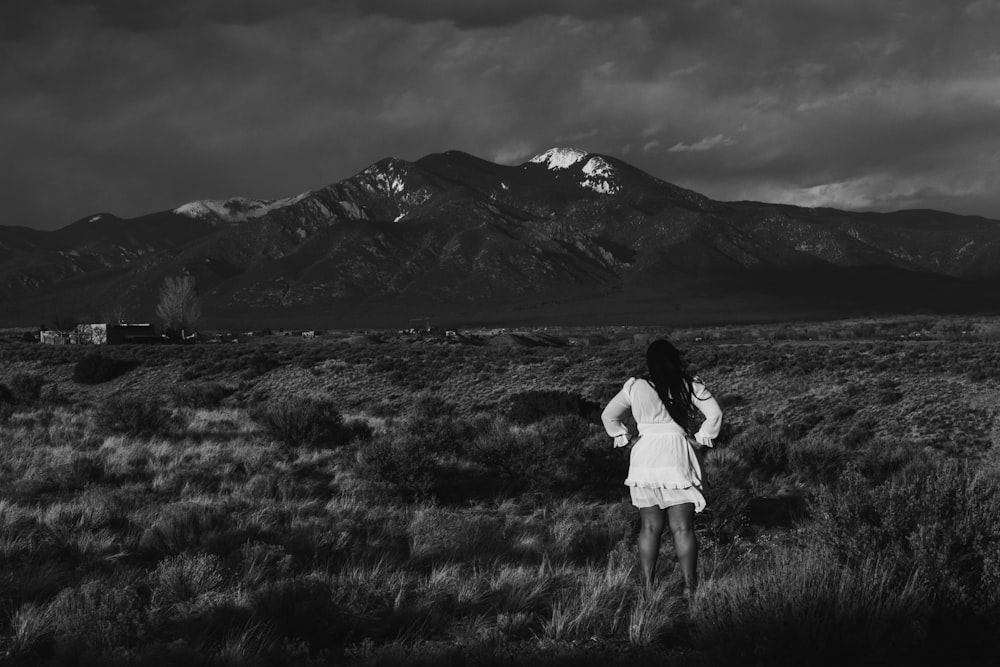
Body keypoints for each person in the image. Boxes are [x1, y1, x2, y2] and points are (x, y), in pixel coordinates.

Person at [601, 339, 723, 594]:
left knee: (649, 527)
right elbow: (715, 414)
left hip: (644, 456)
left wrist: (625, 439)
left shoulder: (635, 386)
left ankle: (648, 588)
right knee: (683, 528)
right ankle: (691, 589)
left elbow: (608, 415)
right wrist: (700, 441)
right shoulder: (690, 385)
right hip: (677, 456)